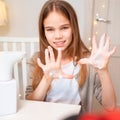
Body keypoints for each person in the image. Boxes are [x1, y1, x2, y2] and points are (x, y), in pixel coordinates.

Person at [26, 0, 116, 113]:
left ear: (73, 28)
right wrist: (46, 79)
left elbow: (110, 106)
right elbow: (29, 102)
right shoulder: (37, 59)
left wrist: (103, 71)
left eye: (64, 28)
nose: (58, 36)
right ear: (43, 32)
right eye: (50, 29)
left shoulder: (88, 61)